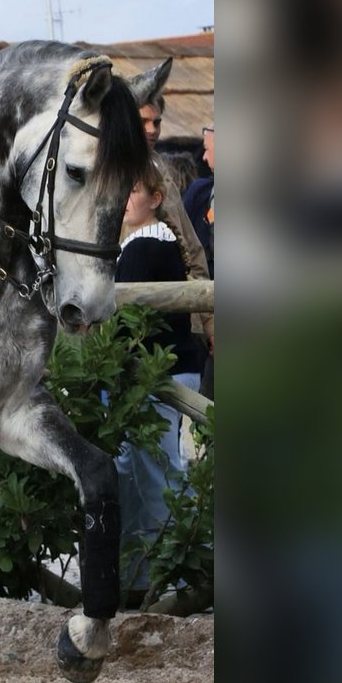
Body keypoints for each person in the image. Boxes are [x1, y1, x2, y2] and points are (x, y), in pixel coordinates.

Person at [115, 173, 206, 604]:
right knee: (137, 474)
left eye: (134, 191)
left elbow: (118, 320)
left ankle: (188, 577)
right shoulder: (148, 241)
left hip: (156, 375)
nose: (125, 199)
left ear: (156, 198)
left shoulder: (144, 245)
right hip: (155, 373)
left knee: (157, 476)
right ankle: (139, 580)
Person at [139, 96, 214, 361]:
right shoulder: (105, 171)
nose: (152, 129)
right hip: (130, 324)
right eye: (143, 121)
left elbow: (191, 250)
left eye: (157, 122)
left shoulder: (159, 170)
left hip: (180, 321)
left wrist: (207, 321)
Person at [183, 126, 215, 398]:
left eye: (208, 149)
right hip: (202, 332)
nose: (204, 158)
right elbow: (187, 253)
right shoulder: (199, 193)